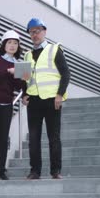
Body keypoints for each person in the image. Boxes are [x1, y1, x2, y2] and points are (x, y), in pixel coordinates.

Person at [22, 18, 71, 180]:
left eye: (37, 31)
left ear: (44, 31)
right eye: (32, 32)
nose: (35, 34)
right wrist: (24, 94)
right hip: (34, 101)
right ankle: (35, 171)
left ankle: (55, 171)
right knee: (34, 138)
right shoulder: (26, 55)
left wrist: (59, 95)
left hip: (52, 100)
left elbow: (66, 73)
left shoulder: (55, 49)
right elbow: (23, 78)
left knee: (54, 137)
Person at [0, 30, 28, 180]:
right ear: (4, 44)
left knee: (3, 138)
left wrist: (25, 89)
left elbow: (20, 85)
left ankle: (2, 170)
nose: (12, 46)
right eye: (9, 42)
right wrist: (9, 71)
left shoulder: (18, 65)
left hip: (7, 103)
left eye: (15, 43)